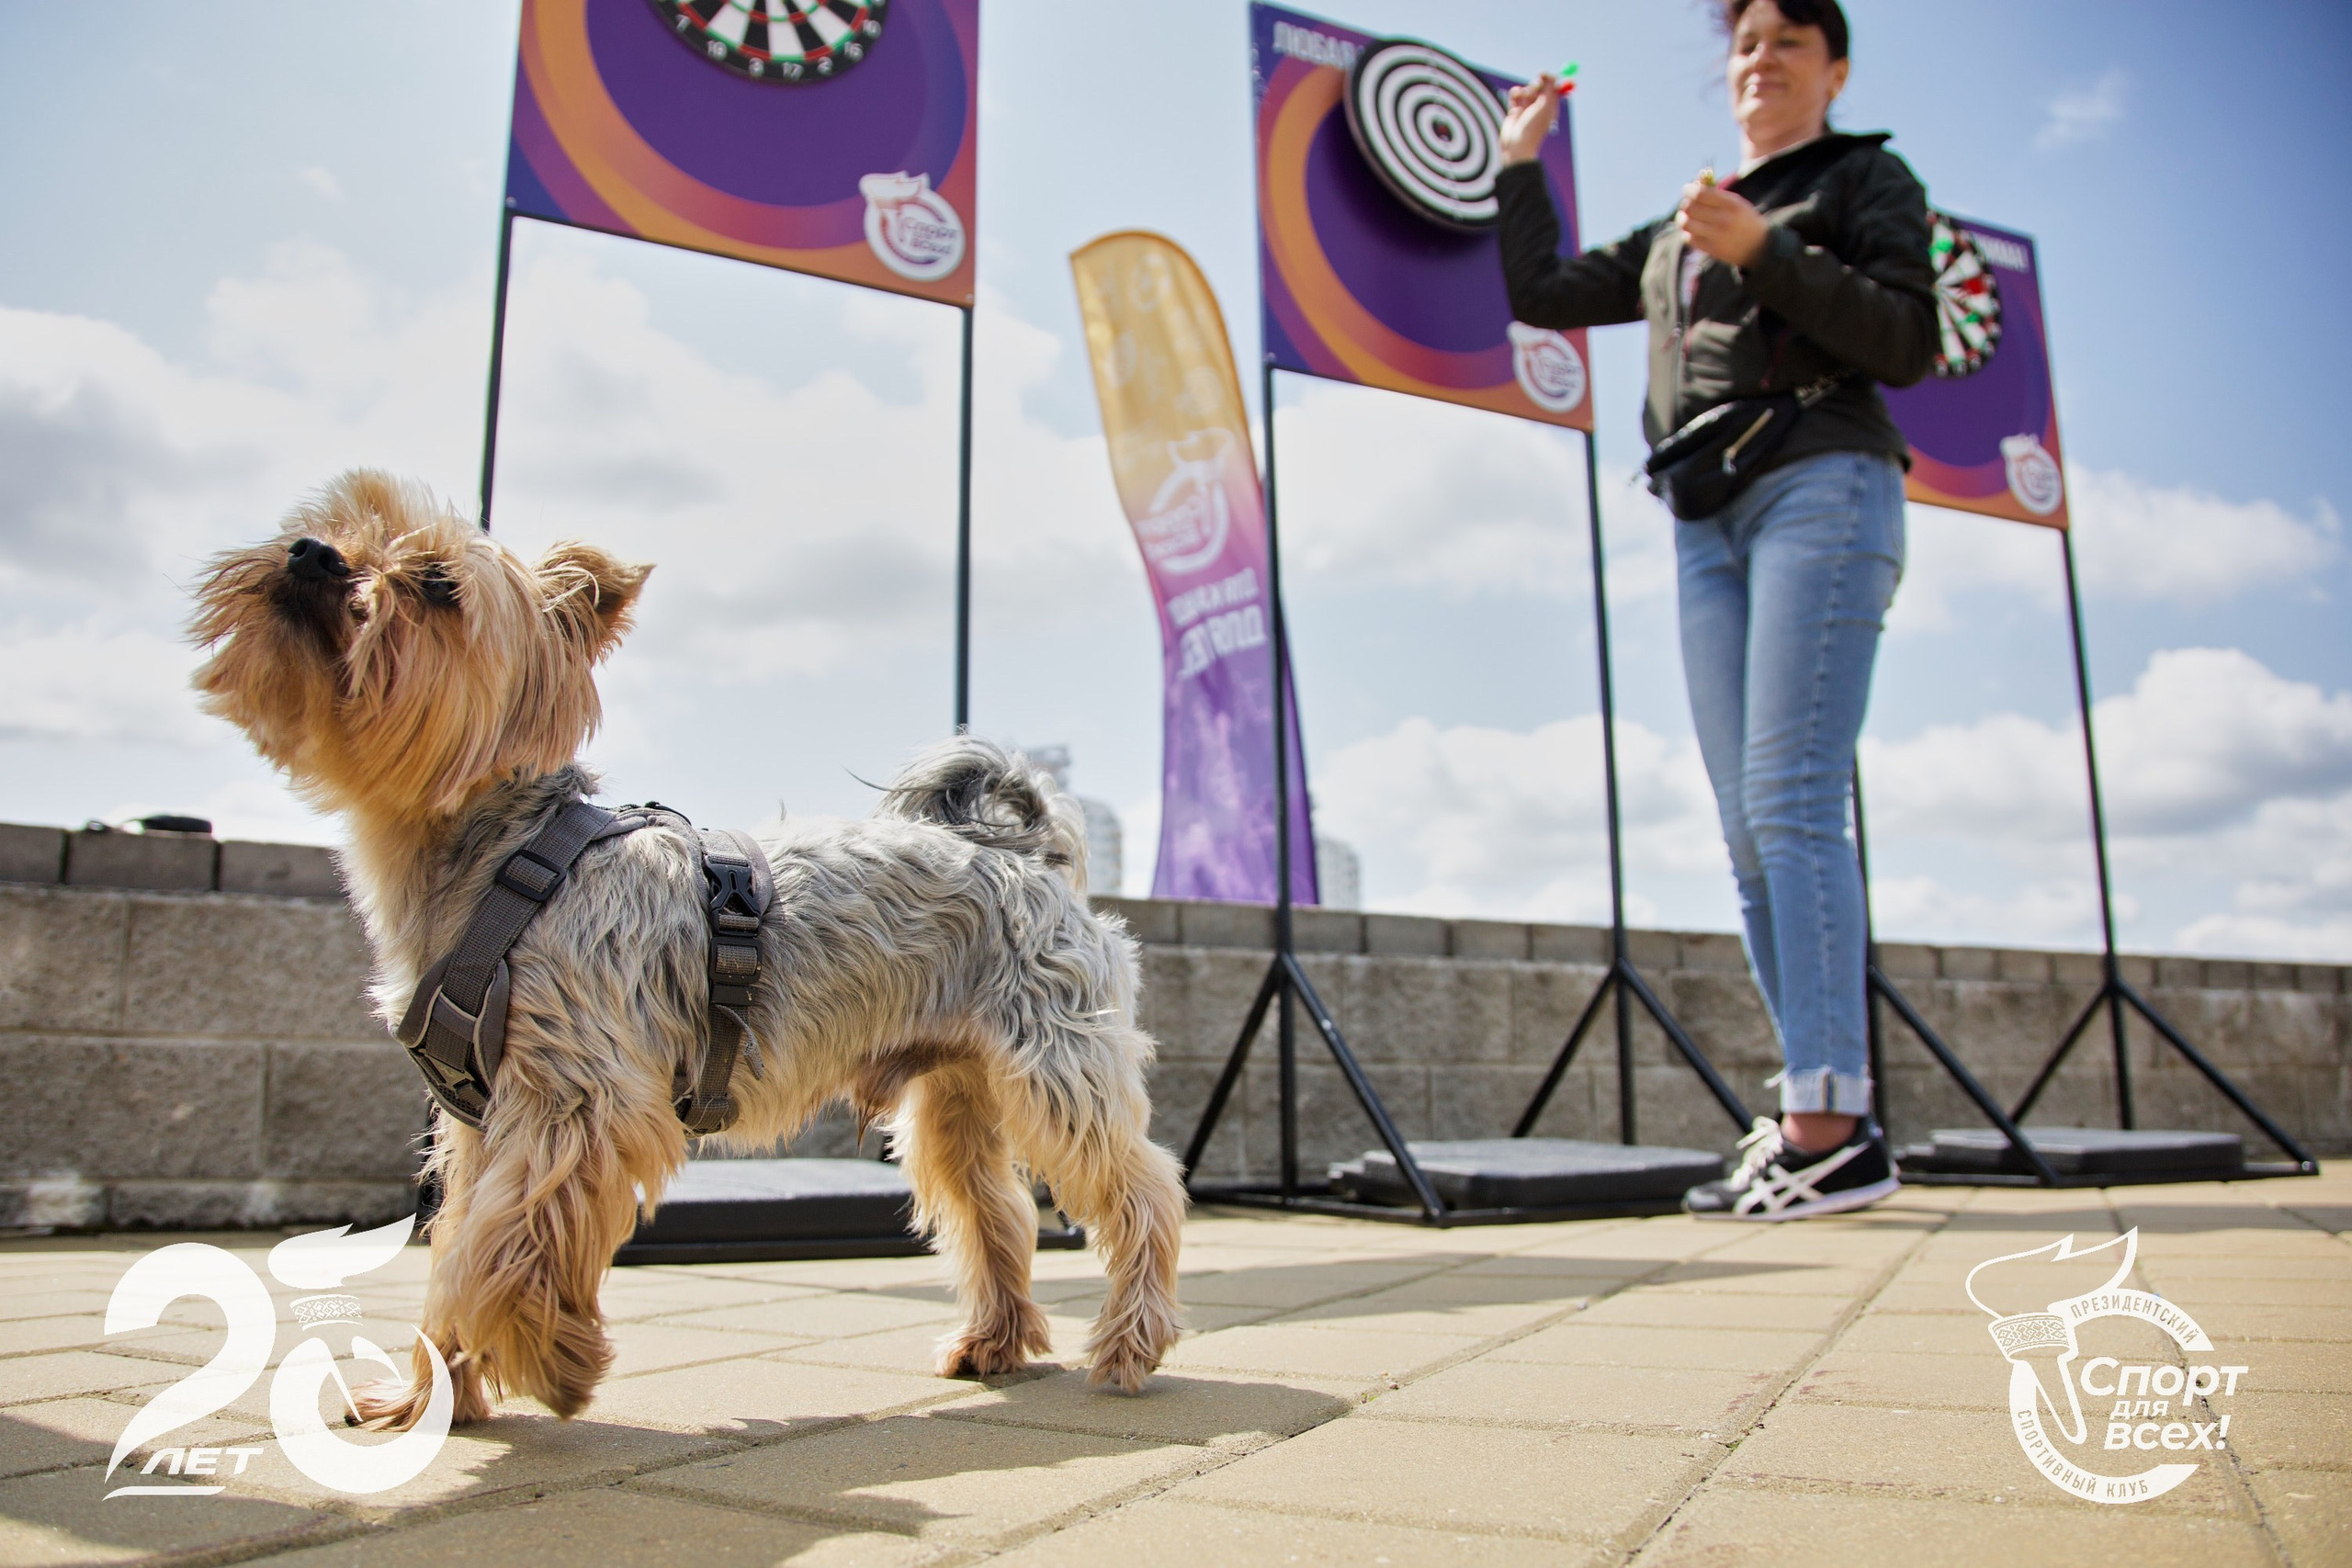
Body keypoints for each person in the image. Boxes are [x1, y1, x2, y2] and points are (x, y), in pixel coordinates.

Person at [1495, 0, 1933, 1219]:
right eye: (1745, 43)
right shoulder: (1678, 226)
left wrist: (1767, 253)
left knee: (1795, 806)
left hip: (1822, 488)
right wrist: (1519, 162)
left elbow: (1908, 339)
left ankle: (1832, 1124)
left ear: (1834, 70)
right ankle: (1815, 1108)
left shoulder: (1862, 178)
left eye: (1791, 40)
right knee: (1747, 831)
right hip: (1703, 518)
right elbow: (1540, 290)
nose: (1762, 59)